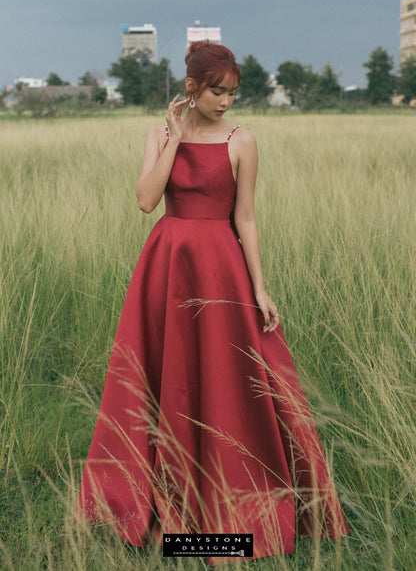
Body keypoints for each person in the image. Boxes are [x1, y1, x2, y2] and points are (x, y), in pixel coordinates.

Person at [76, 41, 349, 564]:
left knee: (230, 380)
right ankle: (165, 509)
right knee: (164, 378)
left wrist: (260, 287)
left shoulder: (243, 140)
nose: (226, 102)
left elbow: (245, 217)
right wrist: (176, 142)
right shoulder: (159, 135)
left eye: (232, 93)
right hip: (167, 266)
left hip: (221, 267)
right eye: (217, 92)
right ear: (192, 88)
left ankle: (234, 515)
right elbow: (145, 201)